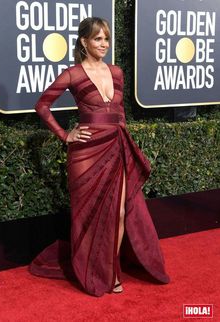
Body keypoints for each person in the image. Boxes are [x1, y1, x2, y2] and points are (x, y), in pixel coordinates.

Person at [29, 17, 170, 297]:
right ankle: (91, 269)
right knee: (91, 216)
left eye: (106, 38)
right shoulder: (72, 74)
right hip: (86, 152)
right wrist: (65, 135)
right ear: (84, 42)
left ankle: (112, 270)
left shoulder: (117, 72)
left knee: (118, 213)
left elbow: (120, 115)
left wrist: (126, 145)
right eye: (97, 39)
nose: (104, 44)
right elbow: (42, 105)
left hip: (115, 146)